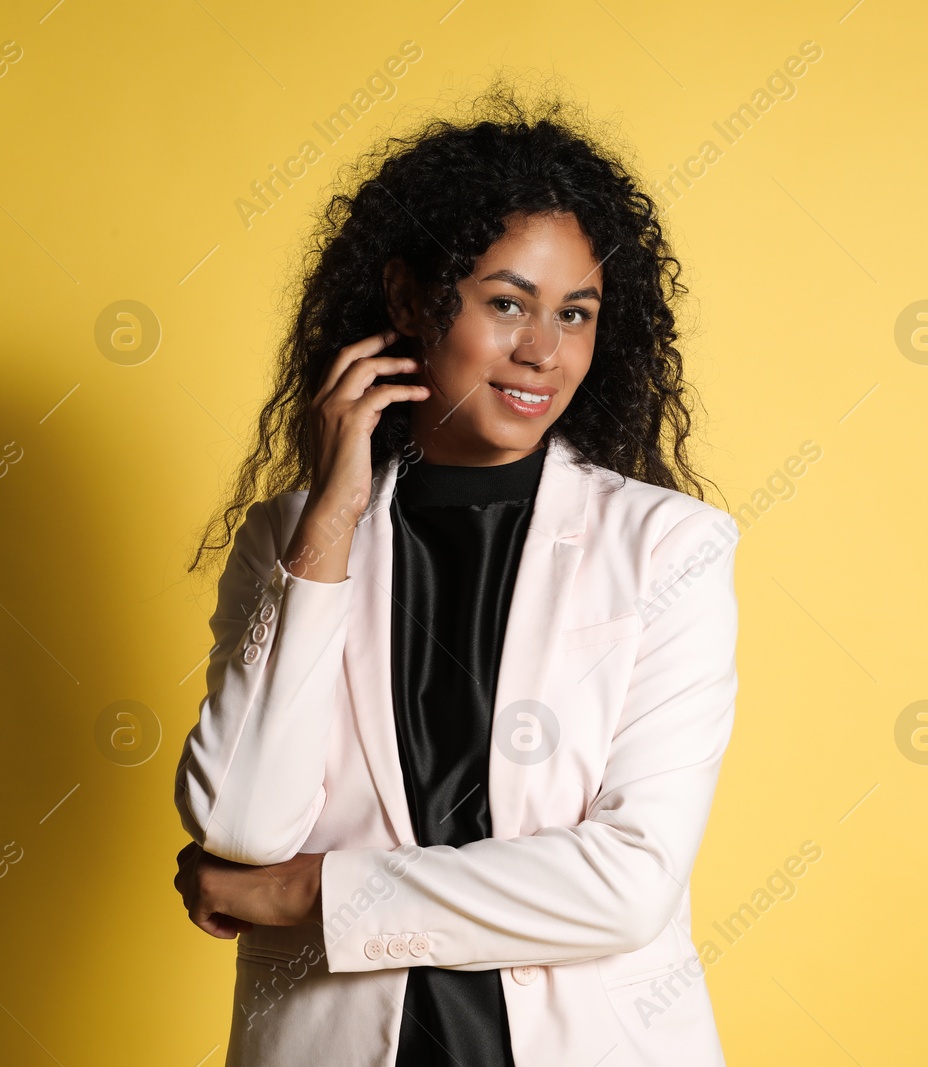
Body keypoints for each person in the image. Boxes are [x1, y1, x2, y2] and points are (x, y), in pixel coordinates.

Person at [171, 85, 741, 1067]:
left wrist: (316, 895)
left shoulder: (669, 546)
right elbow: (242, 826)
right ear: (408, 299)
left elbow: (628, 881)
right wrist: (331, 525)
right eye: (507, 302)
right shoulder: (290, 538)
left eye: (576, 312)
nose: (543, 351)